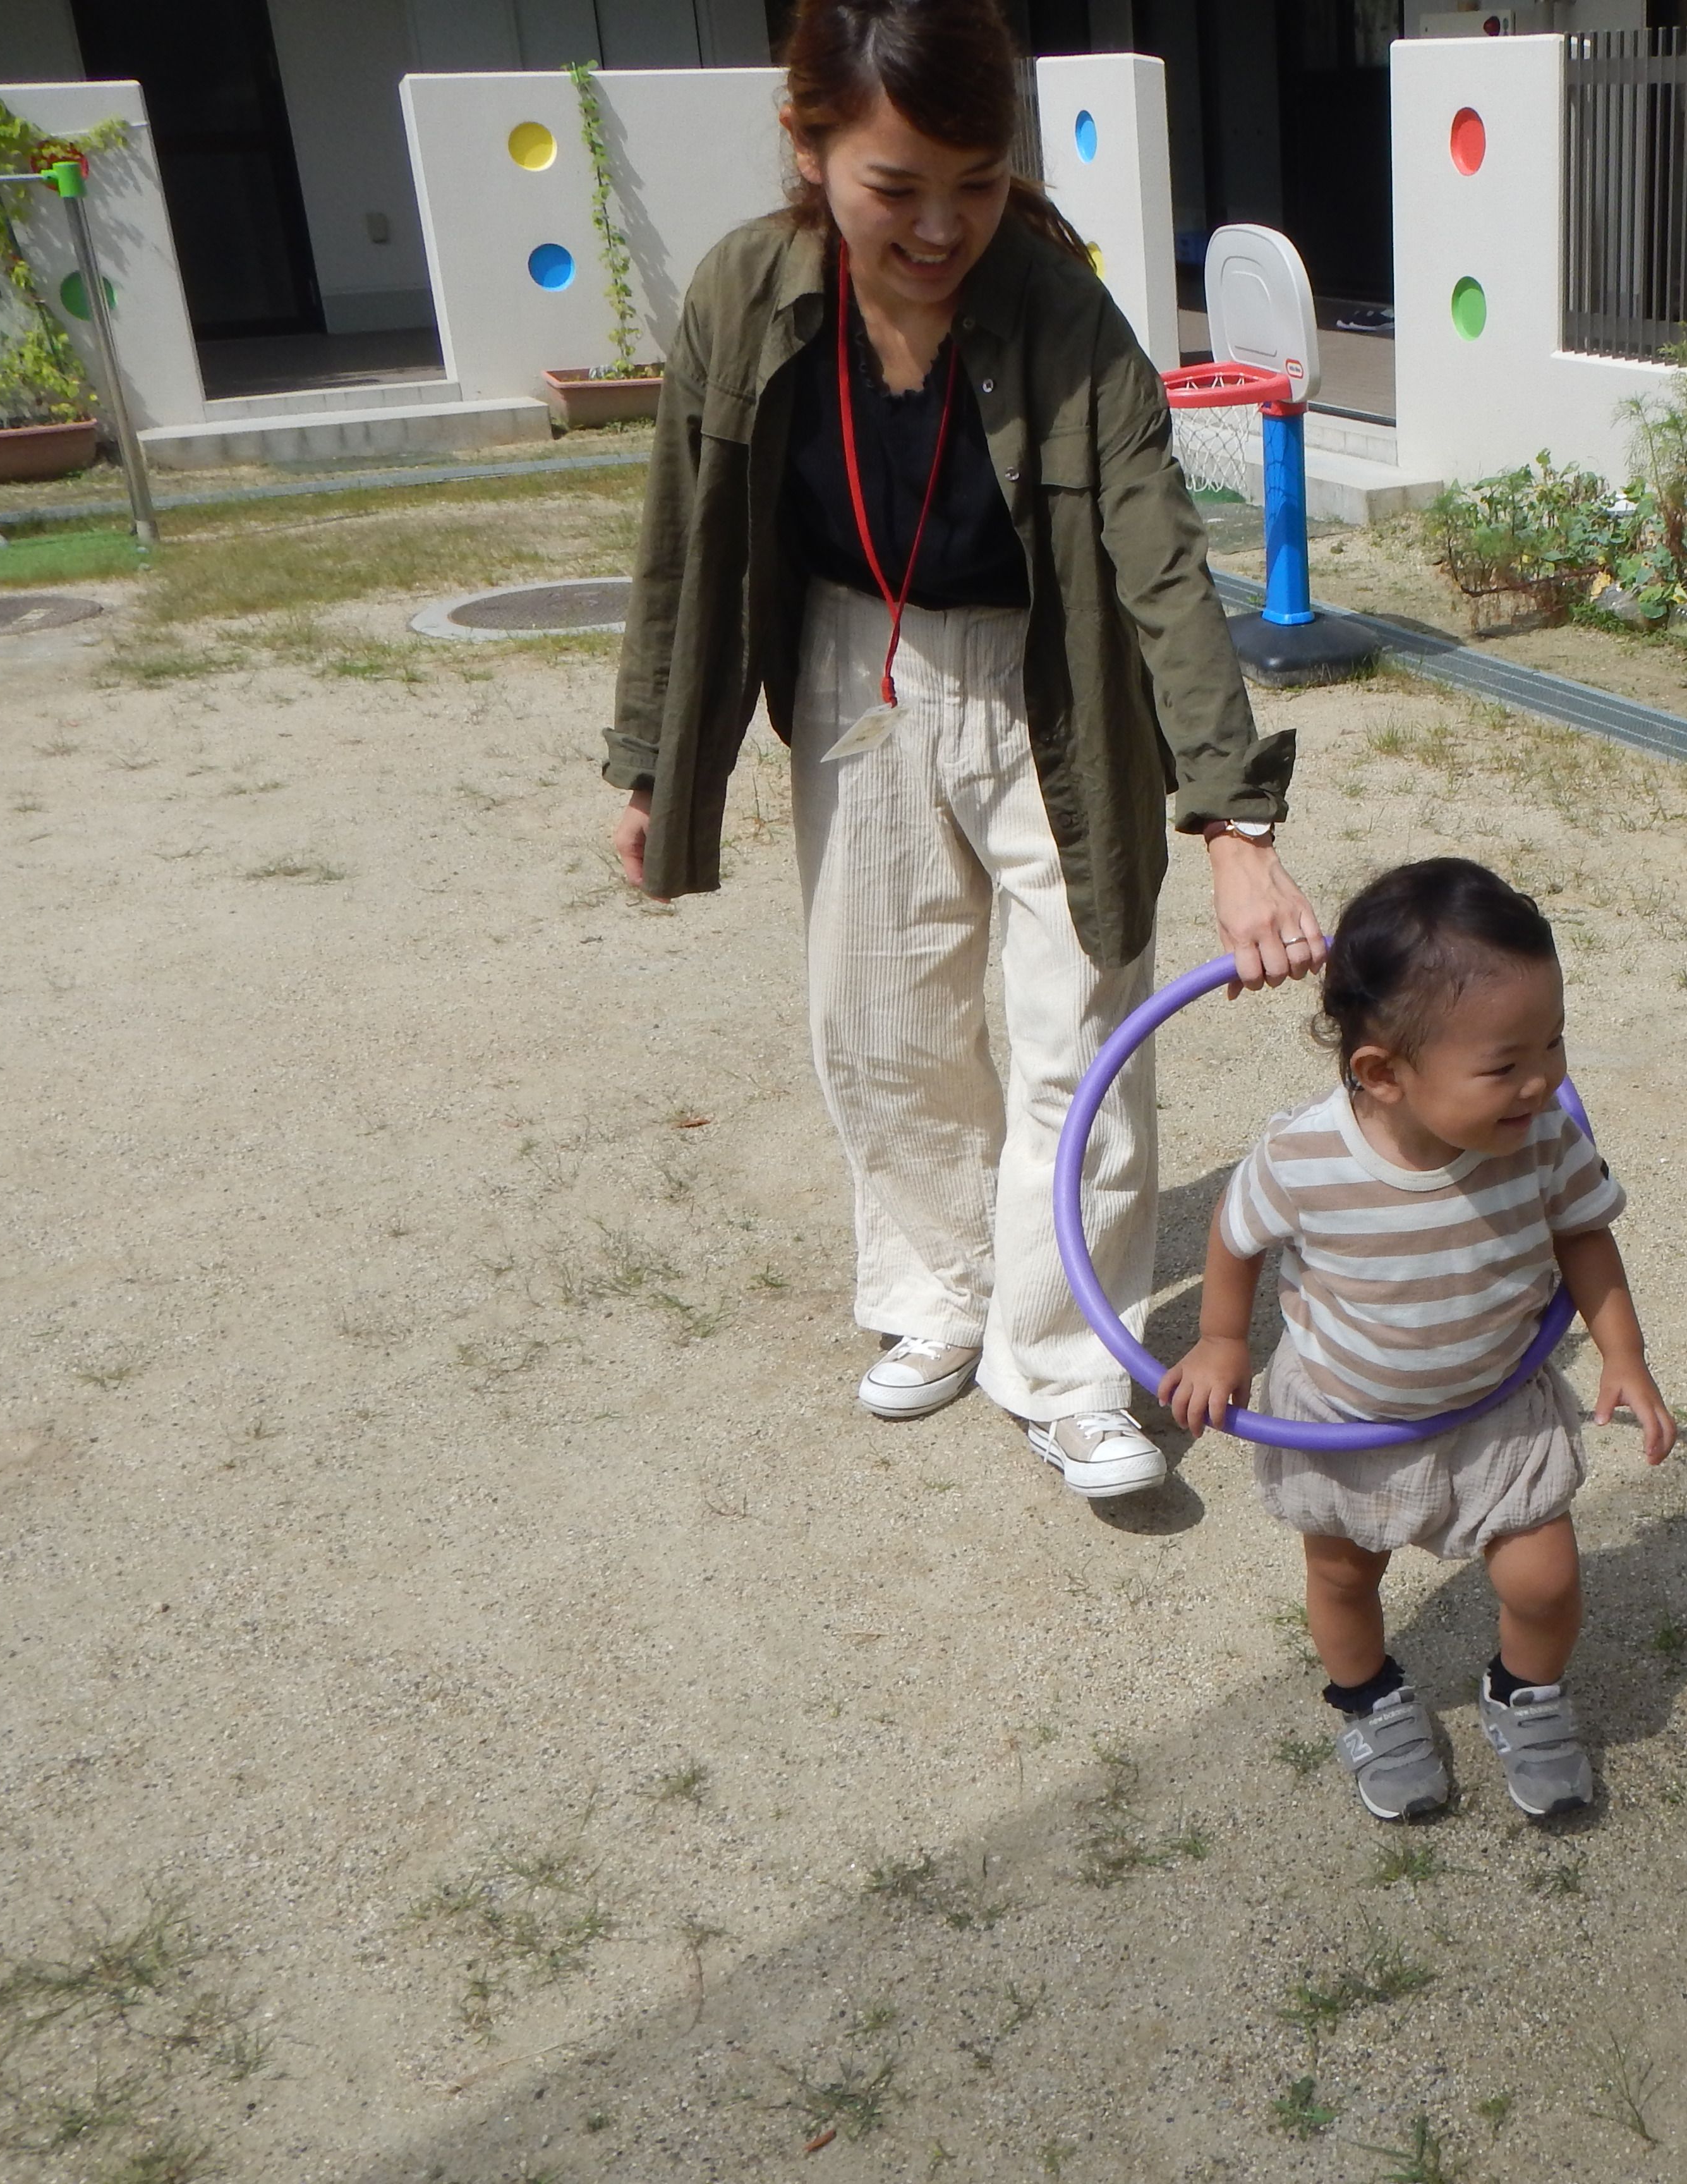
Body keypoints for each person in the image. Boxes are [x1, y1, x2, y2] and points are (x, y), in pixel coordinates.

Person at [603, 0, 1323, 1502]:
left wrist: (1235, 826)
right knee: (885, 1024)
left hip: (1049, 677)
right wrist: (651, 757)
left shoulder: (1060, 312)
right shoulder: (743, 292)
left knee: (1085, 1034)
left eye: (978, 182)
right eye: (897, 187)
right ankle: (938, 1299)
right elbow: (682, 536)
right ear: (809, 146)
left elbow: (1160, 562)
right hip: (847, 656)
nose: (942, 227)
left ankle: (1064, 1362)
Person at [1160, 860, 1677, 1822]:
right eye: (1505, 1064)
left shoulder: (1544, 1138)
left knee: (1547, 1577)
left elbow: (1584, 1239)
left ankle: (1525, 1692)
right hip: (1345, 1413)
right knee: (1344, 1574)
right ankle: (1369, 1699)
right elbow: (1235, 1236)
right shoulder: (1305, 1156)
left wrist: (1623, 1356)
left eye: (1554, 1042)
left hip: (1494, 1408)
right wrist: (1222, 1341)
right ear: (1382, 1073)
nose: (1544, 1080)